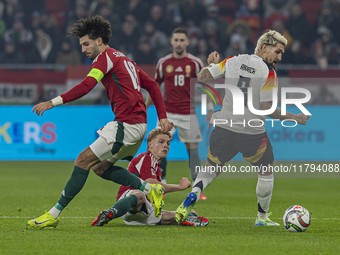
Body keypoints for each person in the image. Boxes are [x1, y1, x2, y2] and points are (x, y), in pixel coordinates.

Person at [27, 15, 173, 229]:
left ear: (99, 41)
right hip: (137, 126)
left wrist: (53, 102)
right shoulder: (125, 59)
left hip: (127, 125)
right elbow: (151, 85)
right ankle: (149, 188)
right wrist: (162, 116)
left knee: (82, 161)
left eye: (86, 44)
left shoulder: (105, 58)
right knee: (100, 167)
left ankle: (53, 214)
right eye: (81, 45)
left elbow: (86, 86)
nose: (83, 49)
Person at [175, 30, 310, 226]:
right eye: (278, 52)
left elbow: (203, 77)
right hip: (252, 133)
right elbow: (266, 108)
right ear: (264, 48)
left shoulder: (232, 60)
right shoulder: (269, 72)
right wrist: (294, 116)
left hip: (224, 128)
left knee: (211, 169)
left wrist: (211, 64)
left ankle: (193, 195)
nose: (280, 57)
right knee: (266, 171)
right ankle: (262, 218)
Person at [91, 129, 209, 227]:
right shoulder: (146, 158)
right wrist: (179, 187)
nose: (165, 146)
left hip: (145, 211)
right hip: (129, 203)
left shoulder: (156, 168)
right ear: (150, 145)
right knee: (140, 195)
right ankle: (110, 212)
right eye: (161, 142)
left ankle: (188, 219)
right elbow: (151, 184)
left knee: (189, 213)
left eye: (168, 143)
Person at [145, 28, 207, 200]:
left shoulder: (195, 63)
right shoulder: (164, 63)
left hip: (188, 113)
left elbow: (206, 85)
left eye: (182, 40)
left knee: (193, 151)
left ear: (187, 42)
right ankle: (160, 184)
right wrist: (144, 107)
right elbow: (154, 87)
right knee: (158, 148)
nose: (179, 43)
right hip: (167, 113)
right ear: (171, 42)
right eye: (176, 40)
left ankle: (197, 188)